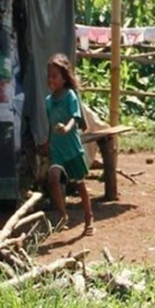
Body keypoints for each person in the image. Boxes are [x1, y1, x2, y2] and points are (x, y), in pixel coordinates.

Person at [44, 53, 94, 236]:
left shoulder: (70, 96)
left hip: (72, 150)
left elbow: (75, 118)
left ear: (65, 78)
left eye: (55, 76)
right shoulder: (48, 101)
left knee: (79, 185)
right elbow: (50, 125)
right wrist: (47, 143)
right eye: (49, 76)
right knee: (53, 177)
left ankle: (89, 217)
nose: (51, 80)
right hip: (57, 150)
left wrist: (66, 128)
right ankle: (63, 215)